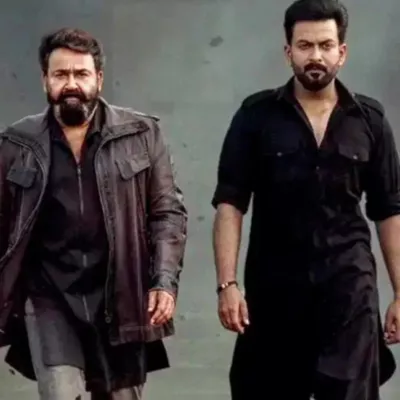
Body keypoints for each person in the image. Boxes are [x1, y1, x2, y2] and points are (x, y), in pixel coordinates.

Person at [211, 0, 399, 399]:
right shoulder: (255, 116)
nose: (315, 56)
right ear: (288, 52)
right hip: (274, 291)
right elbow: (230, 203)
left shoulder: (370, 120)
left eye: (326, 45)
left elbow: (388, 210)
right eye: (305, 45)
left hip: (349, 291)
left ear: (342, 52)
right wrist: (227, 284)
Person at [0, 27, 187, 400]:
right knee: (60, 392)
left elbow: (167, 213)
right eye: (61, 74)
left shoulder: (140, 133)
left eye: (81, 74)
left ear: (99, 78)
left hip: (122, 293)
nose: (71, 84)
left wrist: (163, 281)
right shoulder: (16, 143)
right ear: (45, 80)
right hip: (49, 296)